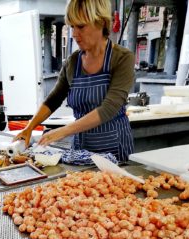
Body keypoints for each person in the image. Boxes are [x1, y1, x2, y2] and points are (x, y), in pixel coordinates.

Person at [15, 0, 135, 162]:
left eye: (81, 26)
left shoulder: (122, 58)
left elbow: (109, 108)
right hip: (80, 149)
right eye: (71, 27)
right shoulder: (73, 62)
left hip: (114, 148)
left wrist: (62, 131)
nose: (74, 34)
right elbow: (53, 99)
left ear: (100, 22)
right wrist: (29, 128)